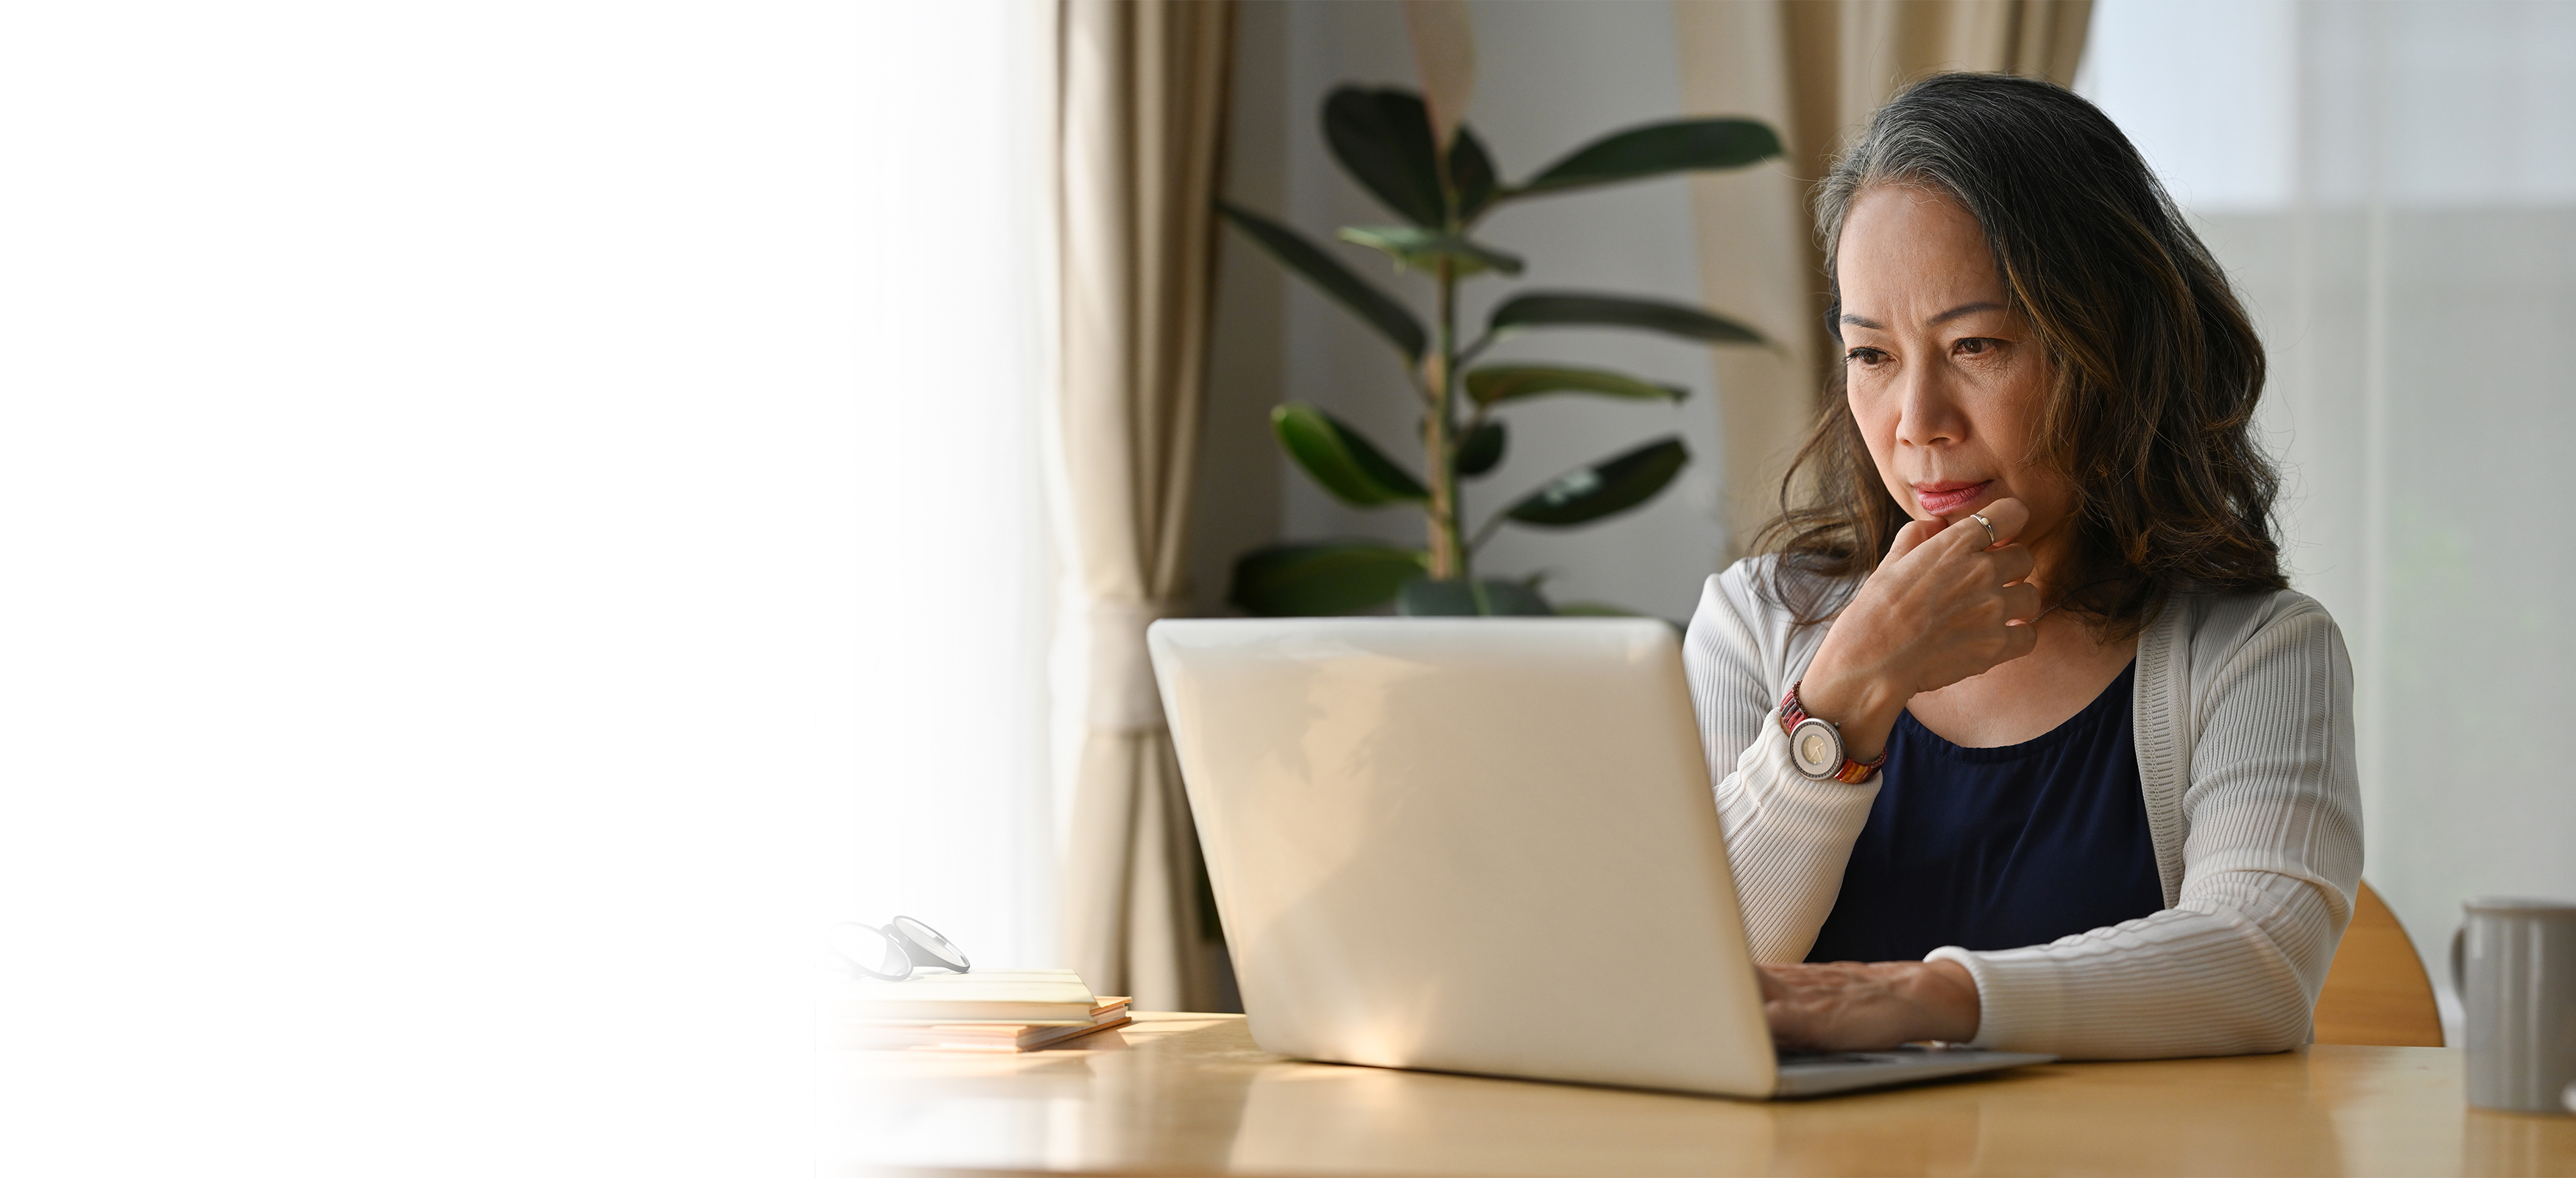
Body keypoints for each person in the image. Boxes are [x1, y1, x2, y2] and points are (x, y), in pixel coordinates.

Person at [1684, 72, 2362, 1059]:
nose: (1917, 424)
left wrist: (1922, 998)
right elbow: (1695, 971)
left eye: (1976, 345)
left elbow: (2259, 963)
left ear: (2108, 352)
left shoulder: (2253, 651)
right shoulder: (1757, 623)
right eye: (1871, 355)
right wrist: (1842, 697)